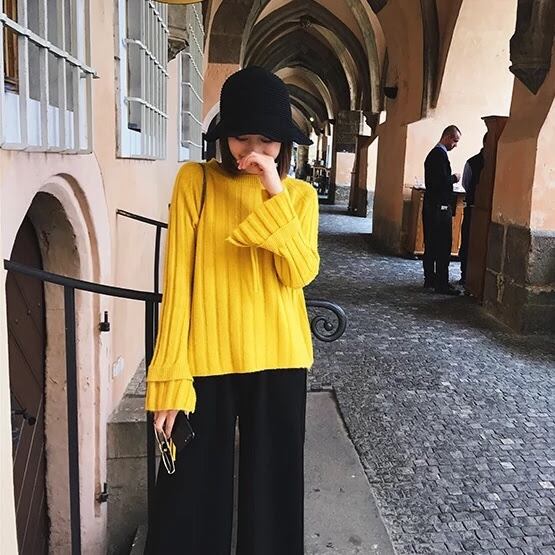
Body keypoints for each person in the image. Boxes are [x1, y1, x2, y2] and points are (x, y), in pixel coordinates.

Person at [144, 66, 319, 555]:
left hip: (280, 357)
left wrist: (274, 191)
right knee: (190, 495)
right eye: (242, 138)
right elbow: (177, 285)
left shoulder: (299, 197)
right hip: (207, 360)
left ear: (284, 144)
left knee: (275, 494)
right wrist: (169, 377)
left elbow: (299, 273)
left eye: (267, 141)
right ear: (224, 137)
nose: (253, 151)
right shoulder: (195, 181)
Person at [422, 125, 462, 295]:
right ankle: (441, 283)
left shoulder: (434, 154)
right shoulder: (438, 155)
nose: (455, 145)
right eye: (455, 140)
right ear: (447, 137)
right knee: (442, 246)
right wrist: (453, 178)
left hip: (432, 207)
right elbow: (439, 182)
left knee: (431, 244)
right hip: (439, 208)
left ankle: (430, 278)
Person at [459, 134, 486, 285]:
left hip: (480, 209)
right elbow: (466, 184)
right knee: (467, 242)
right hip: (472, 208)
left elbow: (466, 183)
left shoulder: (492, 160)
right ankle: (465, 274)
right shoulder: (472, 162)